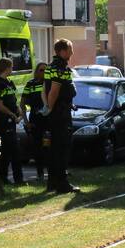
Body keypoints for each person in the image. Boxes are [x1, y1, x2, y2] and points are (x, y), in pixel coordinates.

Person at [42, 38, 79, 194]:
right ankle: (62, 184)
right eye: (70, 49)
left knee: (54, 149)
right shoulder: (60, 68)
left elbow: (44, 88)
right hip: (60, 114)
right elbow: (54, 91)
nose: (72, 52)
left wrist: (46, 106)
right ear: (63, 51)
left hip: (57, 112)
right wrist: (50, 108)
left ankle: (52, 182)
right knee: (62, 148)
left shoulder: (51, 66)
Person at [0, 57, 24, 185]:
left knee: (10, 150)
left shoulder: (8, 82)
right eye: (11, 67)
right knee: (11, 150)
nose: (12, 69)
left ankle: (12, 178)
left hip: (12, 119)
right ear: (6, 68)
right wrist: (12, 115)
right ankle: (11, 178)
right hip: (4, 120)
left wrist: (19, 111)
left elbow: (13, 100)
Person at [22, 62, 47, 182]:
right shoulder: (30, 84)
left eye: (46, 70)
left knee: (53, 147)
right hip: (35, 119)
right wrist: (26, 121)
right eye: (41, 70)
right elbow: (22, 104)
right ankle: (40, 173)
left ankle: (57, 172)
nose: (43, 72)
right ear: (37, 71)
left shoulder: (50, 83)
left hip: (49, 118)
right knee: (38, 148)